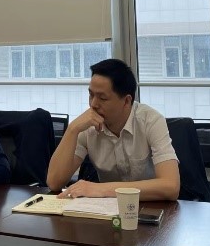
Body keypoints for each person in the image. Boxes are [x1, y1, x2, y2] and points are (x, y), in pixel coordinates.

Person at [47, 59, 180, 201]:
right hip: (107, 209)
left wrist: (100, 189)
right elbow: (54, 182)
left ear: (126, 101)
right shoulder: (87, 125)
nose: (93, 104)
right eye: (91, 95)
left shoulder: (151, 121)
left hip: (150, 206)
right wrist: (72, 129)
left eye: (102, 98)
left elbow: (171, 186)